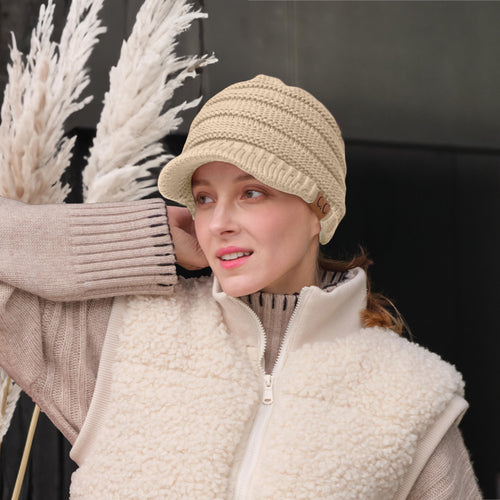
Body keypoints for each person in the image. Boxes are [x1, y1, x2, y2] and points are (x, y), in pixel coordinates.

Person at [0, 75, 480, 499]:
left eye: (251, 193)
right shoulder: (122, 338)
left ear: (321, 208)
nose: (218, 223)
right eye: (205, 198)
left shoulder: (411, 395)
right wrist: (149, 238)